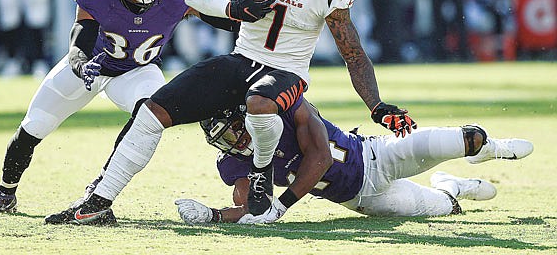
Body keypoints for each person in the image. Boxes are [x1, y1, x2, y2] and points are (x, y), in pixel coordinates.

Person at [44, 0, 416, 225]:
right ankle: (97, 202)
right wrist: (230, 7)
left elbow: (352, 52)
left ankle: (260, 171)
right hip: (243, 59)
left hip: (286, 72)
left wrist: (377, 105)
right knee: (150, 112)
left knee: (260, 102)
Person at [0, 0, 238, 217]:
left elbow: (223, 19)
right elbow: (80, 39)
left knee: (148, 118)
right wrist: (80, 63)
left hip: (137, 71)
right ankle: (5, 193)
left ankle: (99, 192)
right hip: (94, 66)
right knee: (33, 126)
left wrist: (244, 12)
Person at [176, 96, 534, 223]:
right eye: (225, 138)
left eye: (236, 128)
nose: (236, 140)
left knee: (468, 138)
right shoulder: (234, 163)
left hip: (378, 156)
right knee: (448, 208)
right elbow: (252, 206)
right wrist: (214, 215)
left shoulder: (284, 112)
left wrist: (281, 206)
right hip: (361, 199)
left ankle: (489, 149)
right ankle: (452, 184)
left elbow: (317, 159)